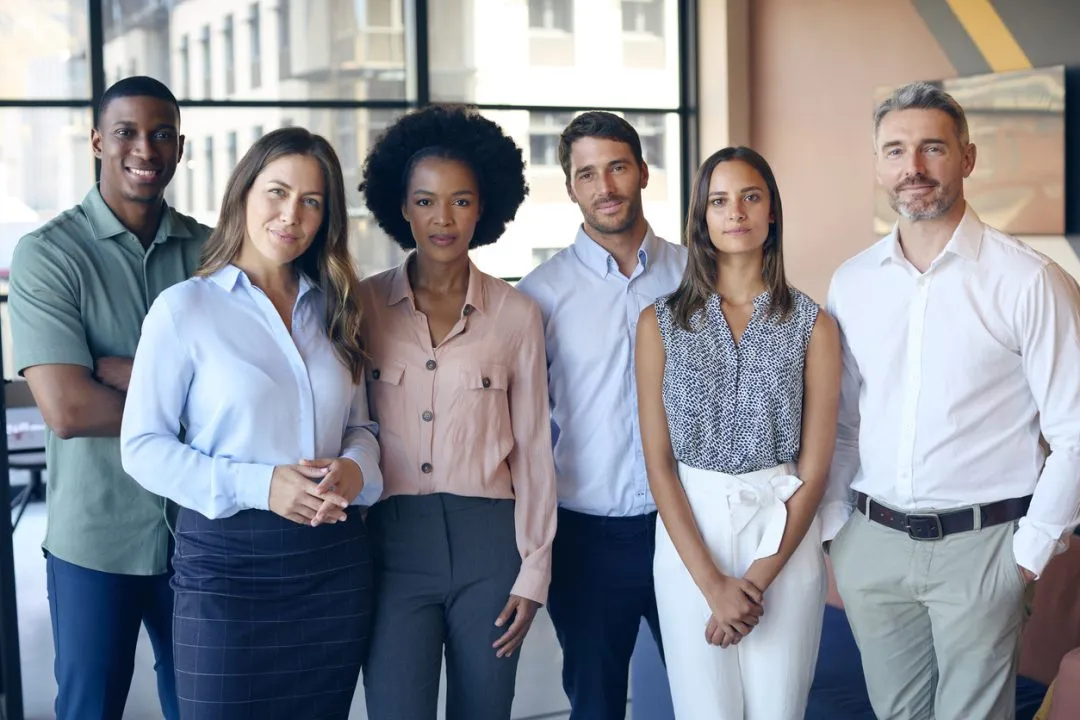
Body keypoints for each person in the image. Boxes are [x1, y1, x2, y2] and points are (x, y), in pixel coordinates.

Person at [825, 81, 1080, 720]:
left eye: (931, 148)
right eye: (895, 151)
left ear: (966, 158)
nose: (912, 168)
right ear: (878, 163)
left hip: (984, 547)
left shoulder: (1030, 281)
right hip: (872, 545)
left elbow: (1075, 431)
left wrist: (1028, 554)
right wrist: (837, 532)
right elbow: (845, 422)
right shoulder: (851, 282)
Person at [119, 126, 382, 718]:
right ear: (243, 193)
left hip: (333, 565)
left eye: (312, 201)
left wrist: (354, 470)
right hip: (226, 570)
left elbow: (363, 429)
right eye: (277, 192)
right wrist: (261, 485)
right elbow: (141, 447)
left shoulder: (338, 308)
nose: (292, 214)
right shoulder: (185, 309)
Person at [7, 76, 206, 720]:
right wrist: (189, 401)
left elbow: (249, 397)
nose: (143, 147)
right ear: (98, 140)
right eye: (125, 131)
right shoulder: (49, 254)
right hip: (96, 542)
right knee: (89, 710)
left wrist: (122, 372)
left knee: (208, 708)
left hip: (203, 536)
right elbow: (68, 411)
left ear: (180, 147)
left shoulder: (214, 254)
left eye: (161, 134)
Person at [356, 104, 558, 720]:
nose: (442, 219)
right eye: (425, 201)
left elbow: (533, 451)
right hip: (390, 546)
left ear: (485, 206)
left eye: (461, 201)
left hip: (490, 546)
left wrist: (534, 572)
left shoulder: (517, 315)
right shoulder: (362, 306)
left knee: (486, 710)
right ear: (402, 206)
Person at [636, 146, 839, 719]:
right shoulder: (660, 322)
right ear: (702, 218)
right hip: (688, 537)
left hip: (782, 534)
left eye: (751, 197)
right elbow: (659, 465)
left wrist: (753, 581)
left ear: (772, 210)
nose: (736, 212)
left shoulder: (813, 324)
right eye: (719, 201)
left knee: (778, 709)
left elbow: (816, 469)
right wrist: (713, 585)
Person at [516, 111, 687, 719]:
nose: (605, 186)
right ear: (570, 188)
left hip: (687, 527)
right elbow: (524, 427)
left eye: (617, 167)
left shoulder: (697, 276)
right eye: (587, 174)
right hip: (588, 535)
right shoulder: (538, 295)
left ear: (642, 171)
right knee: (594, 704)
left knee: (713, 694)